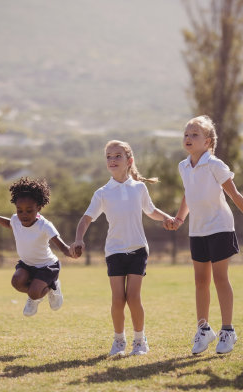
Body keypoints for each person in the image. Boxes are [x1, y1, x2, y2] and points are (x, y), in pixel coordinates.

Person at [167, 116, 243, 355]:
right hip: (197, 230)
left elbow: (235, 194)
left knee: (220, 279)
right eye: (186, 134)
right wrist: (180, 218)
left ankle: (228, 331)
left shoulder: (215, 165)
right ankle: (203, 329)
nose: (188, 138)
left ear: (208, 141)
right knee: (200, 281)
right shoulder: (183, 166)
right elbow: (188, 195)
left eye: (194, 135)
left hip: (220, 227)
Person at [70, 140, 174, 357]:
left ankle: (139, 340)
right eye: (108, 156)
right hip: (114, 251)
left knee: (133, 298)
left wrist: (166, 218)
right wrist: (79, 239)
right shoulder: (102, 193)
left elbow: (151, 210)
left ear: (129, 161)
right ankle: (119, 341)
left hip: (138, 249)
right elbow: (86, 219)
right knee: (118, 299)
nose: (112, 160)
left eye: (117, 156)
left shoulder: (139, 187)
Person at [0, 177, 75, 317]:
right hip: (27, 264)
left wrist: (71, 252)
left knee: (33, 292)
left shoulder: (45, 225)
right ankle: (45, 289)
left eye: (29, 210)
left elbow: (62, 246)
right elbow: (10, 224)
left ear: (38, 208)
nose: (23, 215)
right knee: (16, 282)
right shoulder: (16, 220)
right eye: (20, 210)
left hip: (47, 266)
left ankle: (48, 288)